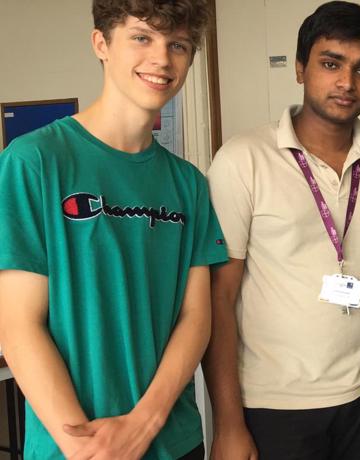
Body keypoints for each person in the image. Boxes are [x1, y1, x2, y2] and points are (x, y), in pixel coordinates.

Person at [0, 1, 226, 459]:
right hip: (73, 447)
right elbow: (18, 323)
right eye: (142, 37)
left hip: (174, 441)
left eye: (177, 44)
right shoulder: (34, 162)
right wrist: (83, 445)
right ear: (101, 43)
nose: (162, 59)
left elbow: (196, 318)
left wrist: (144, 425)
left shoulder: (189, 184)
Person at [203, 2, 360, 459]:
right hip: (276, 402)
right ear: (301, 68)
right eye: (331, 64)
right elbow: (218, 299)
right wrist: (228, 423)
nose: (347, 83)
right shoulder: (243, 160)